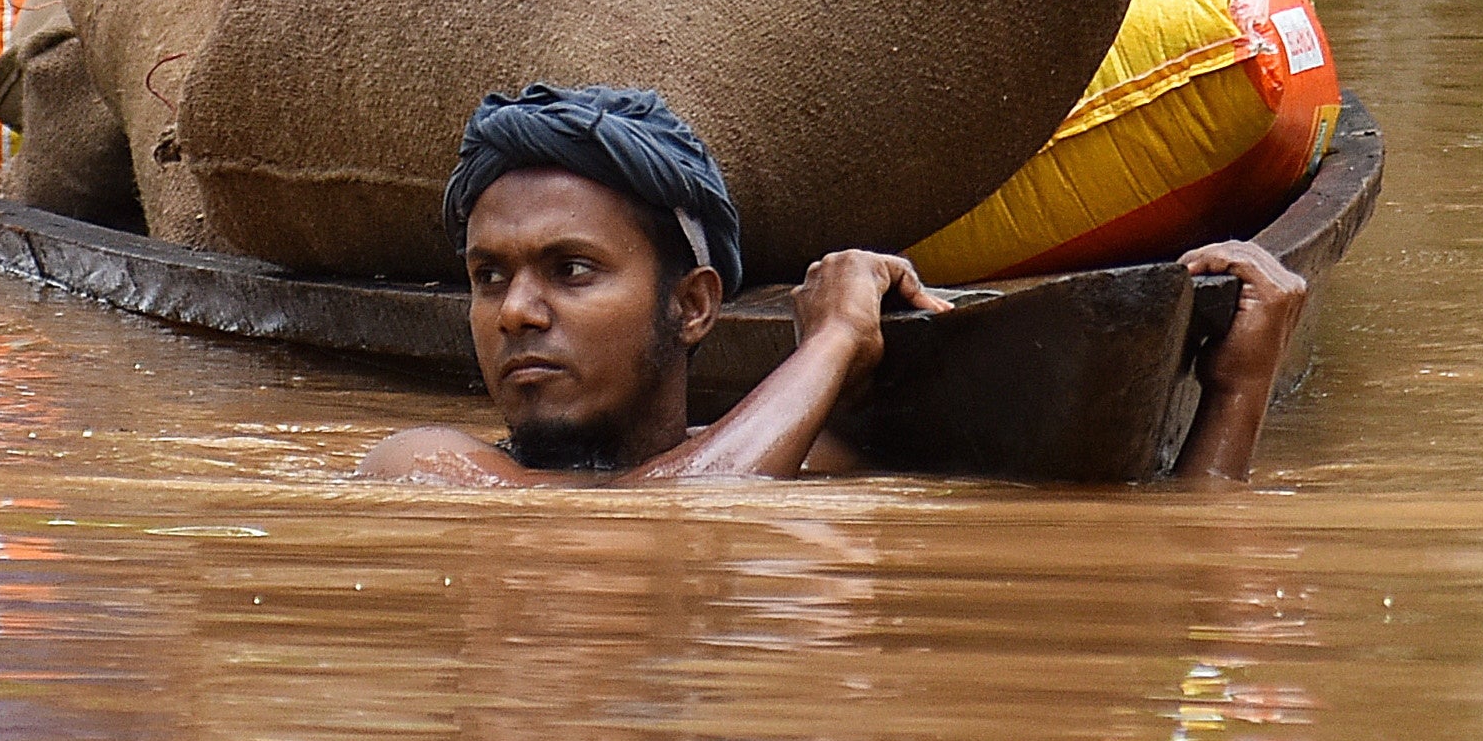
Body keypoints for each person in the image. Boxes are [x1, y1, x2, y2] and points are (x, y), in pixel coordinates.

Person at [365, 84, 1316, 486]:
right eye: (489, 277)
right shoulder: (425, 465)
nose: (517, 311)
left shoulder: (817, 464)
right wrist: (830, 343)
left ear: (691, 305)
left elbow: (1185, 579)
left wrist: (1237, 391)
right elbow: (668, 526)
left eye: (571, 270)